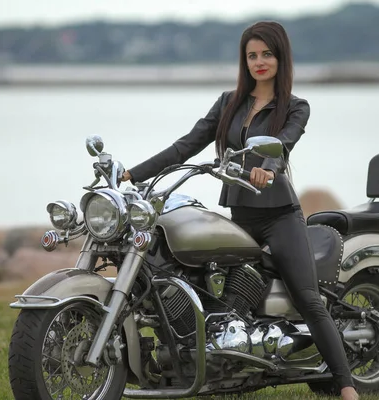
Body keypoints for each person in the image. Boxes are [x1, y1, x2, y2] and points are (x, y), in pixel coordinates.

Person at [121, 21, 359, 400]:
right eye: (252, 55)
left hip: (280, 215)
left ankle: (346, 386)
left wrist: (269, 167)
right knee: (213, 290)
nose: (259, 62)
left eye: (267, 54)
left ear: (281, 58)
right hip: (241, 216)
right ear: (243, 61)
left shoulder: (295, 107)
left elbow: (283, 143)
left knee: (308, 299)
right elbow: (186, 145)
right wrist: (133, 173)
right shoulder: (228, 103)